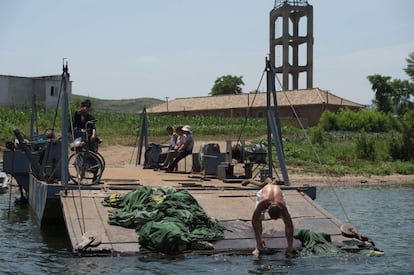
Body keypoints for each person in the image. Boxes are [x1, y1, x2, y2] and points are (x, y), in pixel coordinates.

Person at [252, 182, 294, 257]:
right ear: (267, 210)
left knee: (287, 220)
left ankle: (290, 246)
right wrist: (259, 239)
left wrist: (290, 245)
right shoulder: (263, 203)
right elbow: (254, 221)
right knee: (258, 219)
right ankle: (258, 246)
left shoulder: (282, 206)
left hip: (278, 195)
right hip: (265, 193)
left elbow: (289, 225)